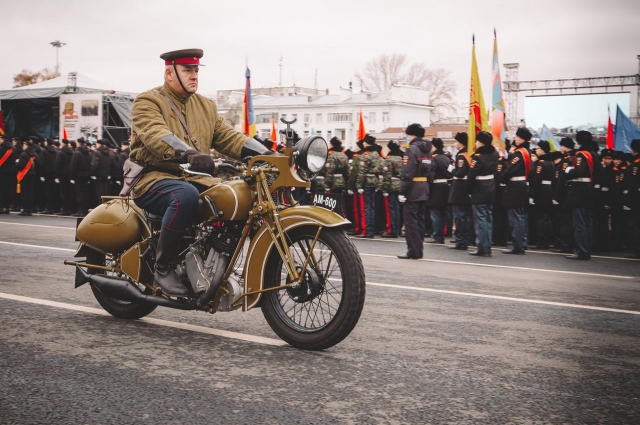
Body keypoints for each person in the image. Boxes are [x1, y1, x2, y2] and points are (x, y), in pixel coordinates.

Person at [129, 48, 273, 297]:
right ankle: (163, 268)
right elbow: (156, 134)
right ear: (169, 73)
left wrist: (265, 155)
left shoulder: (206, 106)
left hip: (195, 178)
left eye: (196, 70)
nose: (194, 75)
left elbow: (228, 137)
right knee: (183, 196)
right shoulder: (148, 101)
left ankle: (213, 263)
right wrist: (188, 154)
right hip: (153, 177)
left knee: (237, 196)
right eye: (187, 70)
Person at [398, 123, 434, 259]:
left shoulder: (411, 149)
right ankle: (419, 250)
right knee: (420, 221)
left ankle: (413, 250)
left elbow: (408, 172)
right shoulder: (428, 150)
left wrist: (402, 191)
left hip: (413, 188)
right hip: (424, 187)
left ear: (412, 135)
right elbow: (431, 171)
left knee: (411, 221)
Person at [564, 131, 601, 260]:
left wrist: (569, 170)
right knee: (587, 222)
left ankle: (582, 250)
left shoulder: (580, 155)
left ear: (579, 141)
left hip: (579, 191)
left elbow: (579, 171)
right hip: (589, 189)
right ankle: (587, 248)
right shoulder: (594, 154)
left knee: (579, 222)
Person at [467, 131, 498, 257]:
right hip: (491, 187)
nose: (475, 143)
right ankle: (488, 246)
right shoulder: (494, 153)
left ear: (481, 142)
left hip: (479, 190)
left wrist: (468, 191)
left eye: (477, 141)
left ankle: (482, 247)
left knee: (480, 221)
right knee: (488, 219)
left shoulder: (478, 156)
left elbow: (471, 176)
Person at [502, 127, 532, 254]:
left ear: (523, 139)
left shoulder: (520, 153)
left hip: (515, 186)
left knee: (515, 218)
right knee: (520, 217)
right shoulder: (525, 151)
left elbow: (511, 169)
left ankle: (517, 245)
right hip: (521, 185)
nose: (516, 139)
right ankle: (521, 243)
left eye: (518, 137)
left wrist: (503, 176)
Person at [448, 132, 472, 250]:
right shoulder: (468, 154)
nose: (455, 144)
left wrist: (452, 170)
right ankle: (464, 239)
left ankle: (460, 240)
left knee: (459, 216)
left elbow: (460, 173)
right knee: (464, 216)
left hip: (460, 188)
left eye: (456, 141)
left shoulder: (462, 155)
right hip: (465, 188)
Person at [529, 140, 555, 249]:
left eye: (538, 148)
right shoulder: (551, 162)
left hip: (542, 191)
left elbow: (537, 180)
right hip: (549, 190)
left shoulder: (541, 163)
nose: (537, 150)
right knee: (547, 217)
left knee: (541, 218)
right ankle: (547, 240)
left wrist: (532, 196)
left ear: (543, 149)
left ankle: (541, 242)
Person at [426, 137, 451, 244]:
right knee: (443, 213)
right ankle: (441, 235)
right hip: (445, 186)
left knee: (435, 213)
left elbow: (430, 173)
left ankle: (437, 236)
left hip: (436, 187)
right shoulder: (446, 158)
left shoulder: (433, 158)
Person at [356, 134, 381, 238]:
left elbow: (361, 172)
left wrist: (359, 185)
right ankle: (371, 230)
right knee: (371, 207)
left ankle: (367, 230)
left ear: (366, 143)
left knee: (366, 208)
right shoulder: (376, 154)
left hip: (366, 182)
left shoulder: (366, 154)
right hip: (374, 182)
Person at [378, 141, 403, 238]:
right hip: (399, 184)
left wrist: (385, 189)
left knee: (391, 209)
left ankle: (391, 230)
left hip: (391, 185)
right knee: (397, 209)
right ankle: (397, 229)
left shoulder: (389, 160)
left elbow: (387, 175)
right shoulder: (401, 158)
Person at [622, 139, 640, 258]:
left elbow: (633, 184)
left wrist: (628, 201)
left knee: (633, 224)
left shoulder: (636, 165)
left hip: (636, 199)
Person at [70, 137, 92, 217]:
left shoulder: (77, 153)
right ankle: (85, 210)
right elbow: (91, 165)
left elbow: (74, 166)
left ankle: (80, 210)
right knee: (85, 193)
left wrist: (72, 177)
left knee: (79, 193)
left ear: (79, 143)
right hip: (86, 175)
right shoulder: (89, 153)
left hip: (78, 175)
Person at [16, 139, 38, 216]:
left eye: (24, 145)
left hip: (25, 175)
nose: (23, 146)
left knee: (25, 192)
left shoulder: (24, 154)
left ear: (27, 146)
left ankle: (25, 209)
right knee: (30, 192)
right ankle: (29, 209)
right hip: (32, 175)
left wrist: (17, 164)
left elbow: (20, 165)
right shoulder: (34, 154)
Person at [0, 135, 17, 214]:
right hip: (11, 172)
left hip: (2, 171)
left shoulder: (1, 148)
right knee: (8, 190)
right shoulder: (13, 149)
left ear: (3, 139)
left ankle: (1, 206)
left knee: (1, 189)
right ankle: (6, 207)